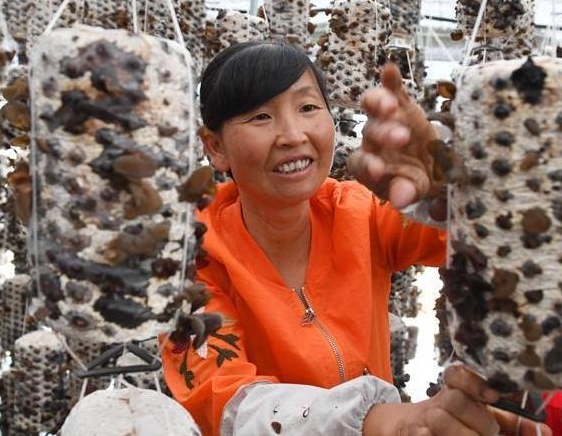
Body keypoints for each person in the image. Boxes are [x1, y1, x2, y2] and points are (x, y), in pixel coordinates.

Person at [161, 41, 551, 436]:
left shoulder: (358, 212)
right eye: (261, 116)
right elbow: (226, 400)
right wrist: (379, 421)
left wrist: (458, 191)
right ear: (215, 147)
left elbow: (498, 240)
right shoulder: (187, 260)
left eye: (308, 107)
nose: (293, 135)